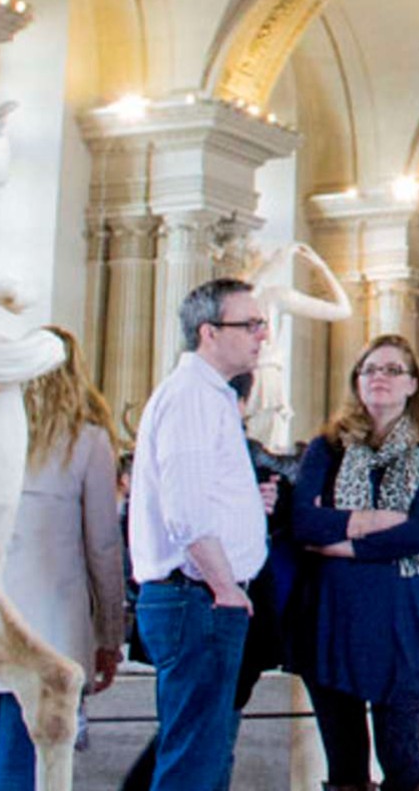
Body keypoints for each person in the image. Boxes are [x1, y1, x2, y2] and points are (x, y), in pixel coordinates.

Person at [0, 324, 128, 789]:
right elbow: (103, 544)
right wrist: (111, 630)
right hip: (48, 611)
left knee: (13, 731)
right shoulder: (86, 441)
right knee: (26, 744)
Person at [290, 333, 419, 791]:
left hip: (401, 614)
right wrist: (374, 521)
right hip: (333, 613)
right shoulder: (328, 447)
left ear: (413, 385)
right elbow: (304, 522)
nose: (379, 378)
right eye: (370, 370)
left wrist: (343, 539)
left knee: (401, 754)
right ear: (357, 382)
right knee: (344, 760)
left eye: (392, 370)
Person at [129, 277, 278, 791]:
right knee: (192, 763)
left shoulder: (209, 396)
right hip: (197, 598)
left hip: (202, 597)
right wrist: (225, 587)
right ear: (208, 333)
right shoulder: (192, 395)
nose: (263, 334)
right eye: (251, 324)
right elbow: (186, 511)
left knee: (205, 755)